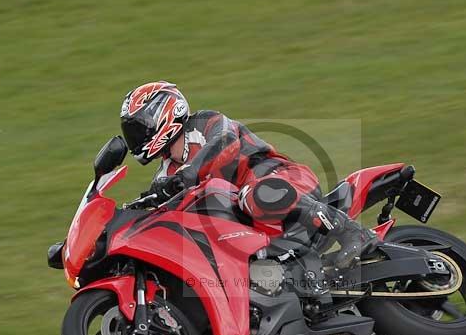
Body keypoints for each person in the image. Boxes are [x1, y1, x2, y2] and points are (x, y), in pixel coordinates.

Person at [119, 81, 377, 269]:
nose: (135, 136)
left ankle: (352, 231)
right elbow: (162, 208)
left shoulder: (205, 123)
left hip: (283, 181)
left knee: (253, 195)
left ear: (163, 114)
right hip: (249, 221)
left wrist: (190, 173)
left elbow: (223, 142)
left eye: (138, 127)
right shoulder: (166, 173)